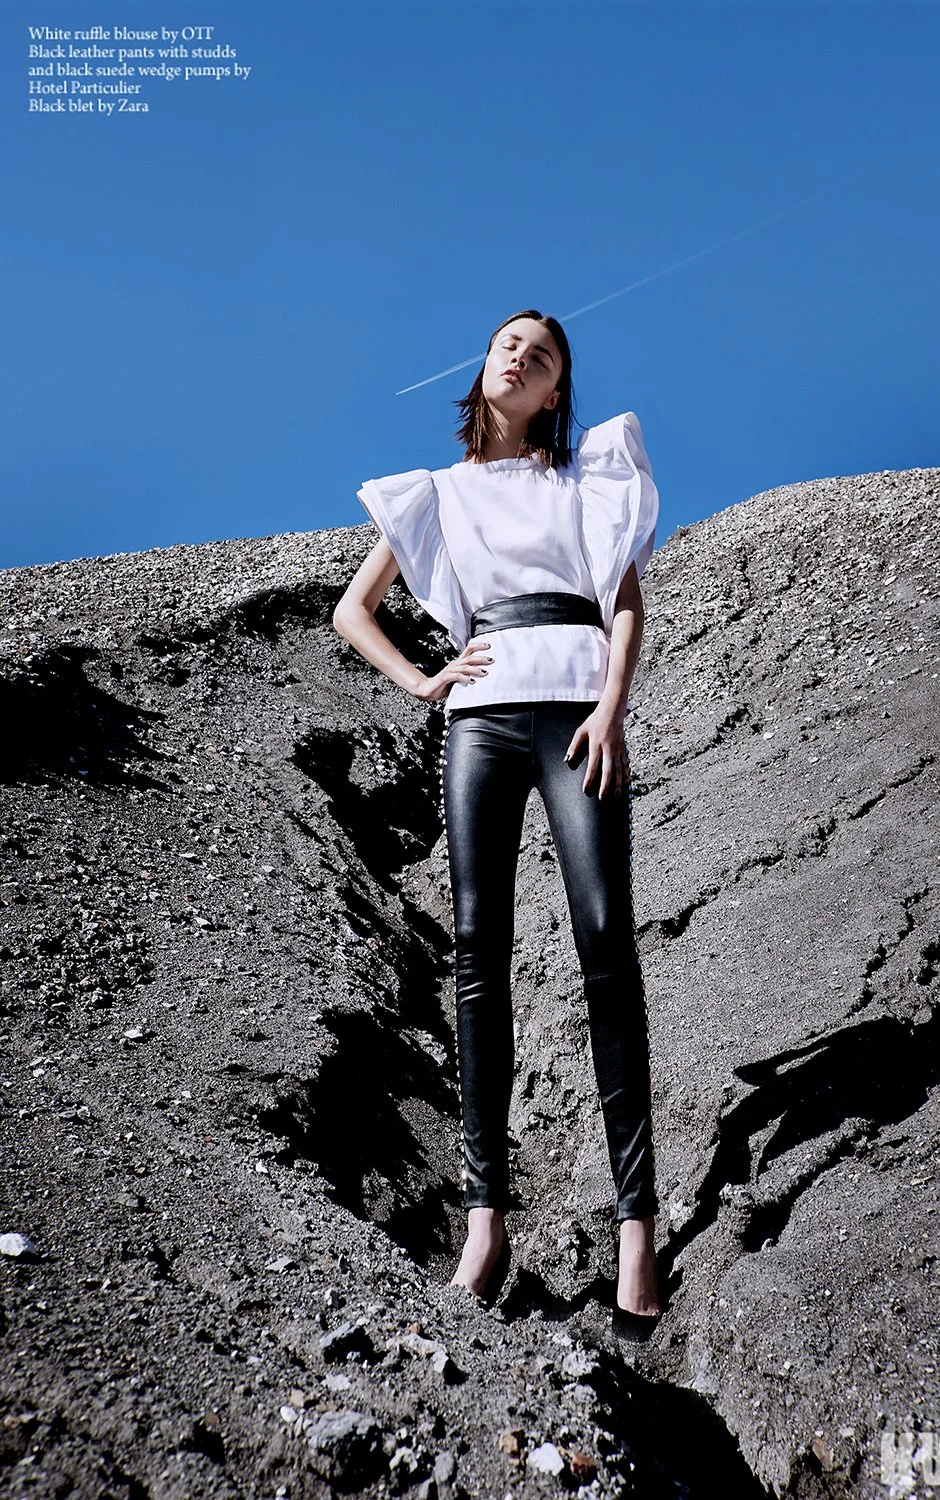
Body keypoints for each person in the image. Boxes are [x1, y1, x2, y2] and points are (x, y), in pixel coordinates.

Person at [333, 309, 662, 1331]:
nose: (520, 356)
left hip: (575, 712)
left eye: (544, 353)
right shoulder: (434, 495)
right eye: (508, 344)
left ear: (557, 391)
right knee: (479, 950)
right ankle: (485, 1221)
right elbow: (352, 610)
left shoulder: (583, 483)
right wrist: (425, 681)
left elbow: (623, 602)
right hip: (479, 716)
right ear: (483, 370)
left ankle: (637, 1225)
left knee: (605, 938)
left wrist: (610, 709)